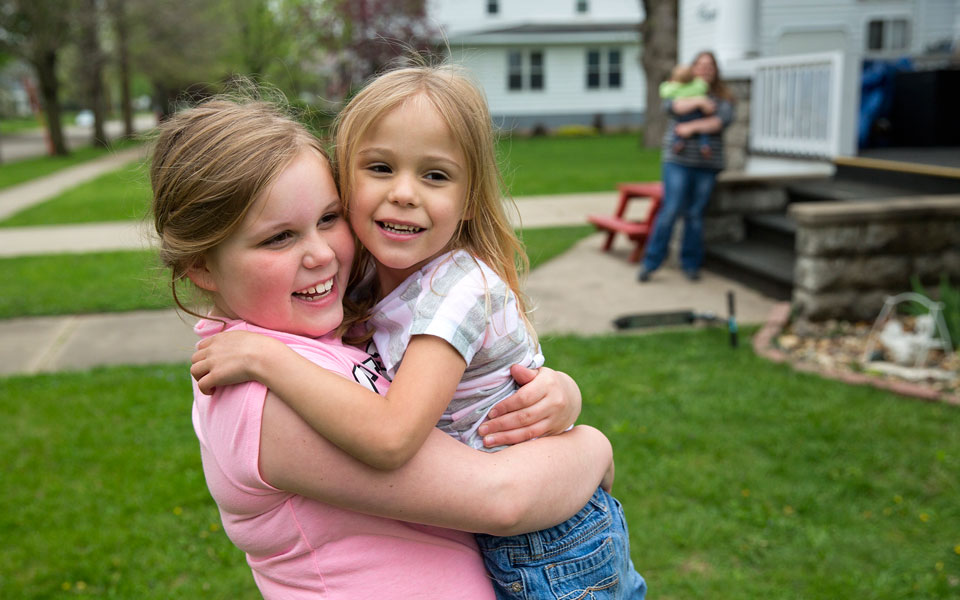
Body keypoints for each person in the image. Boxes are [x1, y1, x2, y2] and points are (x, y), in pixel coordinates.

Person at [192, 64, 647, 600]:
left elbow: (393, 430)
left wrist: (567, 402)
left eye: (435, 175)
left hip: (552, 546)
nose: (404, 193)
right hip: (524, 522)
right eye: (381, 167)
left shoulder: (448, 291)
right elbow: (421, 452)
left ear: (470, 197)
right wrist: (590, 447)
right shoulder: (272, 383)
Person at [638, 50, 735, 283]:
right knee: (670, 210)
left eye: (709, 65)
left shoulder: (724, 96)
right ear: (693, 68)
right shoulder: (680, 87)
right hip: (677, 161)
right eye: (700, 65)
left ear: (716, 70)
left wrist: (692, 128)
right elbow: (673, 108)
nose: (705, 69)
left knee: (695, 214)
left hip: (707, 164)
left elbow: (719, 121)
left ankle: (690, 264)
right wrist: (700, 102)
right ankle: (651, 262)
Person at [659, 64, 711, 157]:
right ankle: (704, 145)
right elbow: (703, 86)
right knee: (704, 132)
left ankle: (678, 142)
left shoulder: (674, 88)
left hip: (683, 117)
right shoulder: (697, 86)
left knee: (678, 128)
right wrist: (700, 101)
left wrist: (669, 83)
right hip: (697, 114)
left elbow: (664, 92)